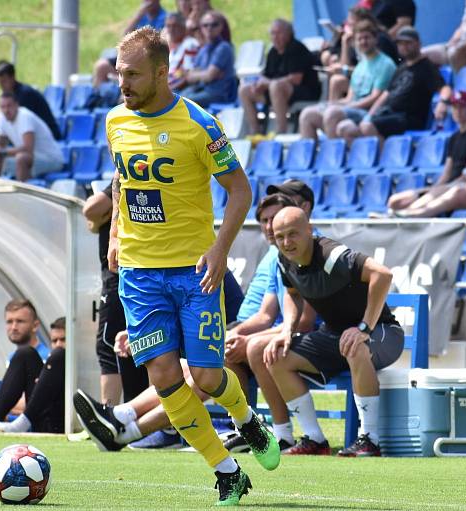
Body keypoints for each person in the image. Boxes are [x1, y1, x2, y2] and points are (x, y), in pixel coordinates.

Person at [96, 26, 278, 505]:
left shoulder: (200, 124)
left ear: (162, 72)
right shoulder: (116, 121)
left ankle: (246, 419)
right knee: (162, 375)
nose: (123, 85)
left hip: (194, 271)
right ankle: (227, 470)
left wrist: (219, 250)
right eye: (119, 74)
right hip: (138, 273)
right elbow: (122, 179)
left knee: (207, 377)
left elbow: (240, 191)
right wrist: (116, 231)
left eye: (132, 75)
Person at [265, 207, 404, 457]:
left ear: (309, 230)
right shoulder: (284, 259)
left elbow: (383, 275)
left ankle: (370, 440)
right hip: (334, 338)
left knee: (354, 345)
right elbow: (292, 294)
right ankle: (314, 440)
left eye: (293, 234)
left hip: (382, 333)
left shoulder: (332, 255)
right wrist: (287, 329)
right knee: (276, 355)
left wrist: (364, 328)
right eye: (280, 236)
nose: (286, 242)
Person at [74, 269, 246, 451]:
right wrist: (139, 335)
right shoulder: (170, 267)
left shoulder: (202, 264)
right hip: (227, 342)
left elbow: (261, 319)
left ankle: (123, 433)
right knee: (172, 366)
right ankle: (120, 417)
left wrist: (246, 337)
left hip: (236, 348)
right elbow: (181, 319)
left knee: (202, 374)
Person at [222, 184, 320, 454]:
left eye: (274, 218)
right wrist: (236, 335)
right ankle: (249, 430)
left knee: (249, 349)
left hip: (322, 338)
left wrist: (249, 338)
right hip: (289, 332)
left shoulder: (311, 250)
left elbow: (305, 321)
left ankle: (287, 434)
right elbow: (267, 313)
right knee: (223, 353)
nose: (270, 226)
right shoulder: (280, 256)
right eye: (265, 221)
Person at [83, 183, 149, 406]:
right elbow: (92, 223)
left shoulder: (126, 174)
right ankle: (121, 413)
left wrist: (102, 214)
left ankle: (110, 412)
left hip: (120, 277)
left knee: (110, 344)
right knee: (123, 343)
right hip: (126, 275)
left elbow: (90, 211)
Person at [385, 91, 466, 217]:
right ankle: (396, 215)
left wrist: (442, 188)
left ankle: (404, 215)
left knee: (426, 199)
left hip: (461, 187)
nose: (458, 111)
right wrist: (434, 188)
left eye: (462, 107)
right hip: (449, 185)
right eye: (454, 107)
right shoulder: (454, 137)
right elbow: (446, 173)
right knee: (396, 200)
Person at [337, 26, 444, 143]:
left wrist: (443, 102)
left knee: (367, 127)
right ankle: (366, 159)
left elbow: (444, 88)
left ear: (418, 43)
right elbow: (385, 95)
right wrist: (370, 115)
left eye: (408, 43)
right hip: (388, 114)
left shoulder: (426, 66)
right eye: (401, 44)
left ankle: (384, 159)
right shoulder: (401, 67)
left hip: (408, 117)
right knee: (345, 128)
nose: (404, 47)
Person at [0, 316, 67, 434]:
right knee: (24, 353)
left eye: (63, 340)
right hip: (44, 418)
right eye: (54, 341)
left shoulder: (83, 368)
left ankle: (21, 424)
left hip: (62, 421)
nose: (58, 345)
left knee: (59, 355)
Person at [300, 20, 397, 141]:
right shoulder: (361, 65)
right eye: (359, 39)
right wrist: (334, 103)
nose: (363, 42)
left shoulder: (385, 64)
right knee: (308, 114)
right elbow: (350, 97)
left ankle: (335, 157)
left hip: (369, 113)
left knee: (333, 113)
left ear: (375, 39)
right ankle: (310, 158)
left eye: (367, 38)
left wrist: (347, 106)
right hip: (352, 109)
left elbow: (376, 97)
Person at [0, 299, 53, 426]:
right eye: (9, 322)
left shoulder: (46, 359)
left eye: (20, 321)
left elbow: (31, 402)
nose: (13, 327)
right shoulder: (13, 357)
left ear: (35, 326)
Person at [239, 19, 321, 136]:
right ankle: (256, 132)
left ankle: (281, 131)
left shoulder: (297, 48)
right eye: (272, 33)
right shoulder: (273, 52)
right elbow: (267, 76)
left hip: (304, 91)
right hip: (277, 92)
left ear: (289, 33)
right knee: (245, 90)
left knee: (276, 86)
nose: (275, 37)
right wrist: (258, 85)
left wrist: (268, 83)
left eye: (279, 33)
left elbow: (296, 79)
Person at [0, 92, 65, 180]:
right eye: (3, 107)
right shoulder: (3, 118)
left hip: (52, 160)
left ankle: (21, 192)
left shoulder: (25, 117)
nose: (6, 110)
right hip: (33, 159)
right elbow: (0, 144)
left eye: (9, 106)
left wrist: (3, 152)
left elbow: (27, 148)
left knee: (22, 158)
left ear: (16, 105)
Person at [0, 60, 61, 140]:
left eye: (3, 82)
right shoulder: (10, 96)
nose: (1, 86)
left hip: (47, 135)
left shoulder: (25, 94)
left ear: (12, 77)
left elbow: (20, 125)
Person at [92, 0, 168, 87]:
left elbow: (162, 44)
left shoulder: (166, 18)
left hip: (147, 57)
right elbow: (125, 36)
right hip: (132, 55)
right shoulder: (141, 17)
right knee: (101, 66)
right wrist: (138, 15)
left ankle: (124, 81)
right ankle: (97, 97)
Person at [178, 10, 236, 108]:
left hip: (218, 94)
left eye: (214, 24)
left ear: (221, 27)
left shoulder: (223, 47)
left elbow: (209, 75)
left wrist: (204, 74)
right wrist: (204, 74)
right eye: (205, 25)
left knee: (180, 103)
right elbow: (189, 76)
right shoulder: (204, 49)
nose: (209, 28)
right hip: (200, 89)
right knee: (173, 97)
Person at [164, 11, 201, 92]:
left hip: (179, 89)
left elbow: (187, 74)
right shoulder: (170, 45)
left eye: (175, 26)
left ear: (183, 27)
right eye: (168, 26)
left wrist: (169, 89)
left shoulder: (190, 44)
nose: (171, 30)